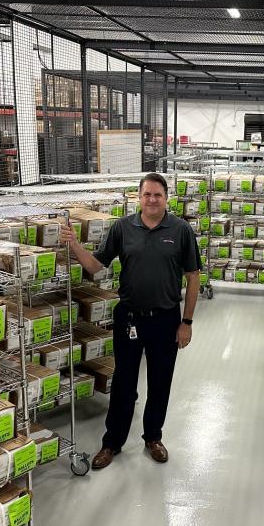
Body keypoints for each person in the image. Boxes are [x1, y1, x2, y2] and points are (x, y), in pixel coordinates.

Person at [60, 173, 202, 469]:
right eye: (147, 194)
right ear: (139, 197)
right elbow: (96, 266)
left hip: (165, 319)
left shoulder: (181, 230)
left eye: (158, 195)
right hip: (129, 319)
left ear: (166, 198)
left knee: (160, 381)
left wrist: (186, 321)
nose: (152, 200)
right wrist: (73, 244)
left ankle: (153, 437)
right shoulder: (123, 228)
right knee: (124, 382)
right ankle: (112, 442)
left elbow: (193, 277)